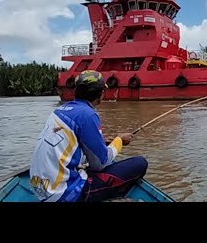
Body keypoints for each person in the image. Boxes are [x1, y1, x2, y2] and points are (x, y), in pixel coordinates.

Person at [29, 70, 148, 202]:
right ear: (101, 94)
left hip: (41, 191)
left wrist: (101, 141)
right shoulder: (88, 115)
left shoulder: (60, 111)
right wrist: (119, 141)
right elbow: (100, 164)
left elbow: (70, 139)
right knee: (139, 163)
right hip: (63, 195)